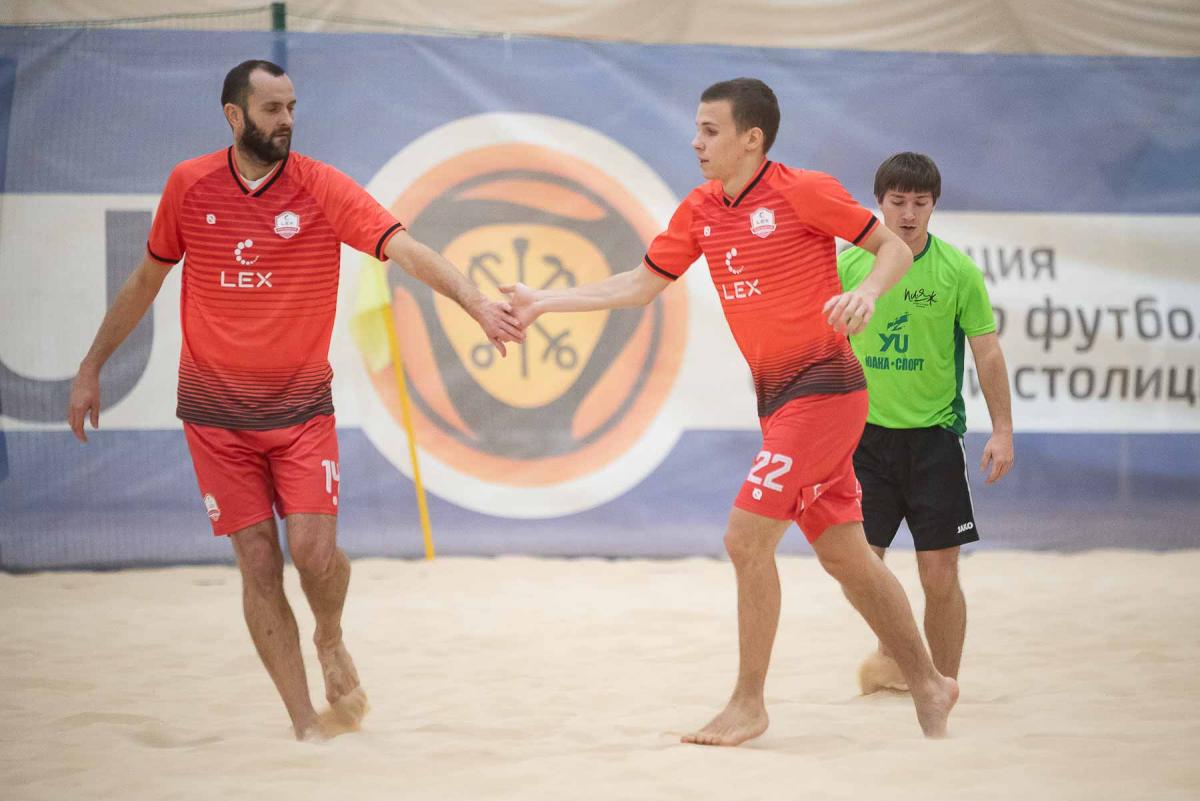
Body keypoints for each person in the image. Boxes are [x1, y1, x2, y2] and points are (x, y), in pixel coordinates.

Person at [66, 60, 522, 741]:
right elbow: (145, 281)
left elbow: (408, 250)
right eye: (272, 109)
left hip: (301, 412)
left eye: (291, 107)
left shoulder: (320, 186)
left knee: (312, 553)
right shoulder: (189, 184)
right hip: (214, 418)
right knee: (257, 562)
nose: (286, 120)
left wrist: (475, 302)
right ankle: (305, 721)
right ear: (234, 116)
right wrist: (91, 365)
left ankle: (329, 636)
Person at [503, 78, 958, 745]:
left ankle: (749, 703)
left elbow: (893, 246)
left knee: (746, 538)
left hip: (827, 390)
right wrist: (545, 301)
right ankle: (929, 681)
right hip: (779, 402)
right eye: (697, 128)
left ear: (752, 138)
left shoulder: (803, 191)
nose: (696, 142)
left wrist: (868, 295)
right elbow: (641, 285)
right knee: (847, 556)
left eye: (710, 130)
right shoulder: (700, 209)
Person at [837, 152, 1014, 693]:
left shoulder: (956, 271)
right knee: (859, 567)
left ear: (934, 205)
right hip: (865, 441)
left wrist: (1002, 430)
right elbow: (822, 347)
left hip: (935, 441)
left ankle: (943, 685)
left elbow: (987, 352)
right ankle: (897, 651)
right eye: (898, 202)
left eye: (920, 202)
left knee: (939, 576)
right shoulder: (849, 266)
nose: (909, 214)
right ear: (879, 203)